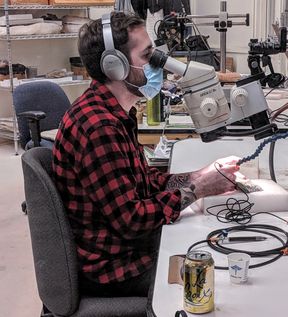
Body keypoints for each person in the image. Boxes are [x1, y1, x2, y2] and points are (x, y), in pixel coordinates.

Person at [52, 11, 238, 298]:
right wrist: (197, 190)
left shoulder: (113, 112)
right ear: (115, 67)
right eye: (147, 55)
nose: (157, 65)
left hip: (123, 248)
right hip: (113, 267)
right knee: (220, 277)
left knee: (208, 241)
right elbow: (132, 220)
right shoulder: (99, 127)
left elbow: (141, 181)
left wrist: (197, 176)